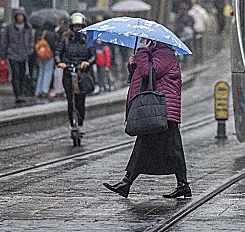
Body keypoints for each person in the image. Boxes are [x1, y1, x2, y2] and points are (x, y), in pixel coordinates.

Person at [103, 40, 189, 199]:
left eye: (146, 41)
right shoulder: (156, 54)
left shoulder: (165, 54)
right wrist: (133, 65)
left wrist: (142, 52)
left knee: (164, 146)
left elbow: (149, 72)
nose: (145, 43)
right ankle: (182, 185)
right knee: (157, 146)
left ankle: (126, 183)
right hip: (157, 109)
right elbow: (142, 74)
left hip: (163, 108)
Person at [57, 13, 95, 133]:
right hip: (69, 72)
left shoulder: (88, 40)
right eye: (75, 26)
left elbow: (93, 56)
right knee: (71, 99)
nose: (77, 29)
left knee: (80, 100)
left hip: (82, 74)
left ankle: (80, 123)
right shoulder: (65, 39)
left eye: (79, 26)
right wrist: (60, 63)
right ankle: (72, 122)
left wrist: (87, 62)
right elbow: (58, 53)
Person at [0, 8, 34, 103]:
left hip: (24, 54)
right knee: (16, 73)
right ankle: (17, 94)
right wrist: (3, 54)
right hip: (13, 54)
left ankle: (22, 92)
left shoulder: (27, 27)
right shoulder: (9, 27)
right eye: (18, 16)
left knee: (22, 74)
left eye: (21, 16)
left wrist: (30, 50)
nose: (20, 18)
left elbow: (31, 40)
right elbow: (5, 40)